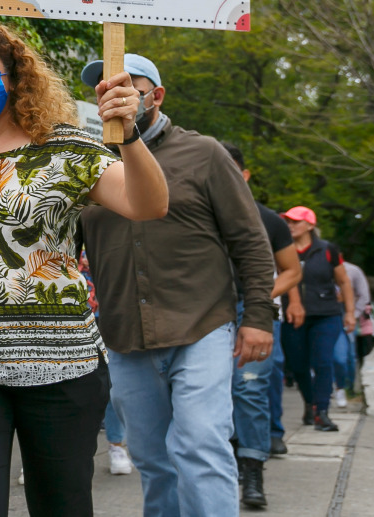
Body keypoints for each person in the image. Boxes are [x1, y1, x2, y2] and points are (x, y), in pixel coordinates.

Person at [0, 21, 168, 517]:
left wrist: (130, 136)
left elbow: (148, 205)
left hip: (62, 362)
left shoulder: (67, 149)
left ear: (14, 74)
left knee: (61, 505)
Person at [78, 54, 276, 517]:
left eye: (130, 86)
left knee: (201, 446)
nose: (116, 95)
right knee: (152, 458)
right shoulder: (88, 167)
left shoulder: (205, 153)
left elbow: (250, 240)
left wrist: (259, 319)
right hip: (125, 336)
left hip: (201, 326)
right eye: (105, 89)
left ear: (156, 95)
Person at [220, 142, 303, 508]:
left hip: (252, 312)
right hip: (204, 312)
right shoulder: (194, 211)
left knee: (250, 388)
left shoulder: (268, 219)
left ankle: (253, 471)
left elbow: (292, 271)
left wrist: (257, 296)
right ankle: (227, 460)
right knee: (214, 391)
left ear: (245, 175)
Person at [279, 206, 356, 433]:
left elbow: (343, 282)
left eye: (296, 222)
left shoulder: (328, 250)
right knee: (298, 365)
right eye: (288, 222)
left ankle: (322, 412)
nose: (290, 226)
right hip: (293, 317)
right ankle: (310, 403)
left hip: (326, 314)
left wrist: (350, 312)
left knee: (323, 361)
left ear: (310, 225)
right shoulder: (282, 249)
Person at [78, 252, 133, 476]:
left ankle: (116, 445)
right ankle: (40, 454)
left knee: (113, 382)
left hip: (108, 306)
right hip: (65, 305)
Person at [332, 258, 371, 407]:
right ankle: (334, 387)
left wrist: (353, 314)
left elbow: (364, 296)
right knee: (331, 355)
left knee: (349, 356)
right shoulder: (320, 269)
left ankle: (347, 387)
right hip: (326, 315)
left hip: (346, 315)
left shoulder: (353, 271)